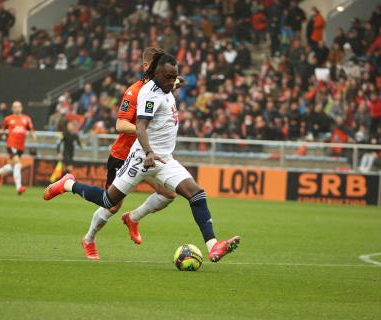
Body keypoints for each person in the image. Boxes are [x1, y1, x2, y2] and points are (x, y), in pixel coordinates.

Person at [44, 53, 240, 263]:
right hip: (140, 159)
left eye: (174, 76)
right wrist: (148, 152)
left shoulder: (165, 85)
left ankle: (213, 246)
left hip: (163, 159)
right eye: (168, 76)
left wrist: (175, 82)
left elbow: (167, 87)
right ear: (155, 72)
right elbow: (140, 126)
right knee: (109, 201)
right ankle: (68, 184)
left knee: (196, 194)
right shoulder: (147, 94)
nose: (172, 80)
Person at [0, 101, 36, 195]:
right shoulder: (8, 119)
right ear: (12, 109)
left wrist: (33, 136)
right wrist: (3, 136)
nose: (17, 108)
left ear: (21, 108)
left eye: (18, 107)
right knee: (18, 164)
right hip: (11, 144)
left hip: (20, 146)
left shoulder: (26, 119)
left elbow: (31, 129)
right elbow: (3, 130)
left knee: (13, 166)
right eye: (15, 107)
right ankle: (19, 187)